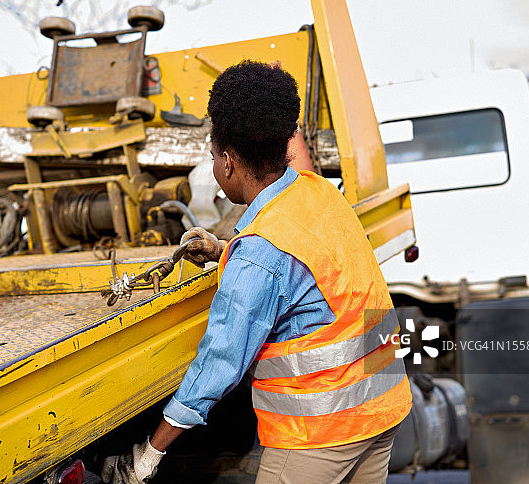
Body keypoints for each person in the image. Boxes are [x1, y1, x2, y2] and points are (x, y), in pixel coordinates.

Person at [101, 60, 412, 484]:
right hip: (382, 410)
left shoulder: (260, 253)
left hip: (320, 432)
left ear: (228, 162)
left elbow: (220, 363)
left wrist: (150, 451)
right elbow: (302, 269)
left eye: (213, 158)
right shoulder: (318, 192)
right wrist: (223, 250)